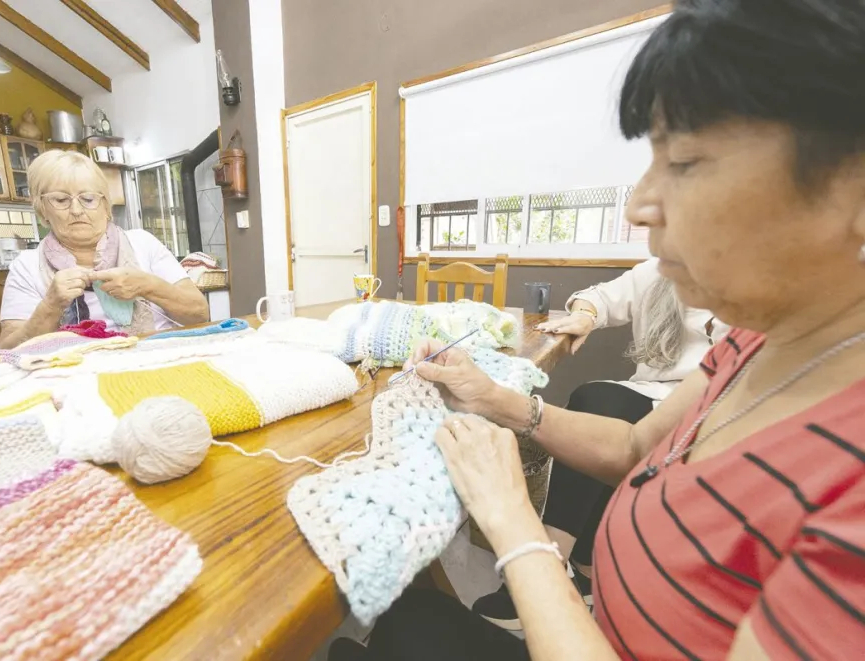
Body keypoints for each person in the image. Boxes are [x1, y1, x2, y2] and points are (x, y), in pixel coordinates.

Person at [330, 0, 865, 658]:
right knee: (400, 618)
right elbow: (634, 443)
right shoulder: (754, 342)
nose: (638, 205)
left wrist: (513, 522)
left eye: (686, 162)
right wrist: (494, 397)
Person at [473, 259, 727, 628]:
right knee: (600, 408)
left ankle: (549, 566)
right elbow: (600, 297)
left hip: (716, 406)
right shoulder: (661, 268)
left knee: (599, 404)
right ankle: (585, 569)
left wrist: (504, 407)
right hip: (651, 390)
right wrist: (586, 315)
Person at [0, 150, 209, 348]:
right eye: (61, 200)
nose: (76, 210)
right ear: (43, 209)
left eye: (88, 199)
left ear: (106, 206)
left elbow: (200, 314)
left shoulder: (143, 244)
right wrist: (50, 306)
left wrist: (148, 286)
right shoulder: (27, 266)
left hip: (156, 356)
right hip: (77, 368)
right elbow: (8, 349)